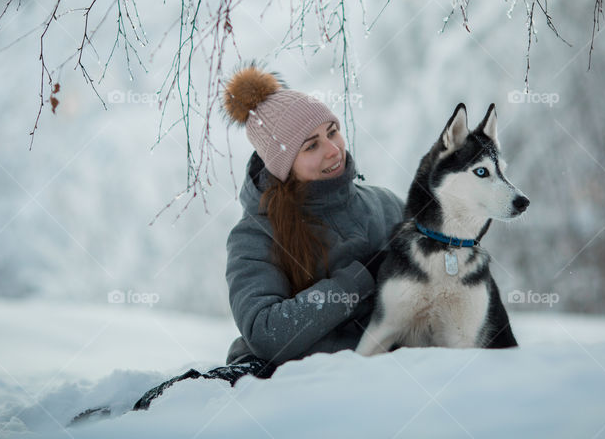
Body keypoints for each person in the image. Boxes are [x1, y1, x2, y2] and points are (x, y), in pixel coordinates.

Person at [132, 64, 404, 411]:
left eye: (332, 131)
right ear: (283, 165)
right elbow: (265, 333)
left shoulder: (386, 205)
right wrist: (356, 281)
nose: (333, 150)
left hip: (382, 385)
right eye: (311, 146)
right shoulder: (255, 236)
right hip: (291, 397)